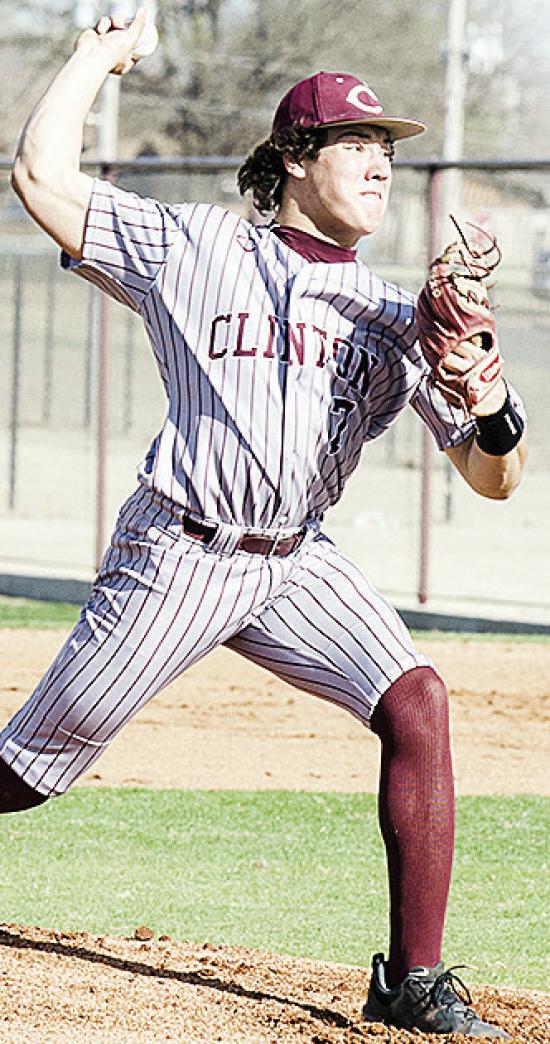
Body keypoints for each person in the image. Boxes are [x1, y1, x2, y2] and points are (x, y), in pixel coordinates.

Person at [1, 10, 526, 1038]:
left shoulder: (393, 315)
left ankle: (410, 981)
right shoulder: (198, 248)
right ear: (293, 158)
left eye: (387, 152)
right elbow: (40, 177)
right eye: (357, 146)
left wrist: (491, 403)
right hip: (179, 551)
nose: (380, 168)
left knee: (417, 701)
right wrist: (96, 57)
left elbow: (492, 478)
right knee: (26, 772)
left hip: (297, 562)